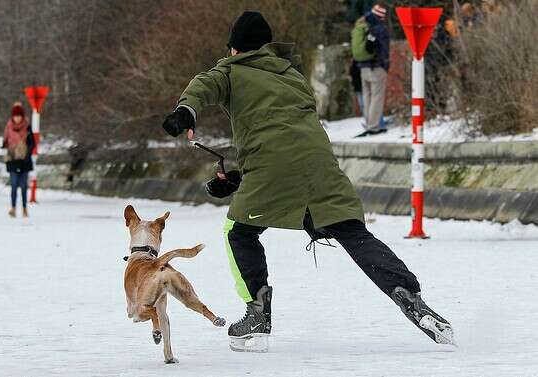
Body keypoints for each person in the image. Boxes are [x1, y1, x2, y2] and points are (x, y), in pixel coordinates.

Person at [162, 11, 454, 351]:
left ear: (234, 49)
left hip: (274, 166)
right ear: (266, 46)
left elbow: (203, 85)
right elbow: (285, 135)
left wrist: (186, 112)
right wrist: (242, 177)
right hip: (319, 162)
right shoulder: (290, 74)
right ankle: (407, 293)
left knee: (239, 232)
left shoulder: (230, 70)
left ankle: (257, 315)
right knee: (350, 231)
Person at [351, 5, 390, 137]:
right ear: (381, 17)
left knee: (367, 97)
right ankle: (373, 127)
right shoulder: (379, 28)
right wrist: (385, 63)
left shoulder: (362, 24)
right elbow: (383, 49)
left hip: (363, 68)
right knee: (376, 97)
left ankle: (369, 124)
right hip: (377, 67)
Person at [3, 102, 34, 218]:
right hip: (13, 160)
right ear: (12, 116)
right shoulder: (8, 126)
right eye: (15, 116)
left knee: (24, 187)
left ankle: (25, 208)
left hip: (24, 161)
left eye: (19, 116)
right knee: (14, 185)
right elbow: (5, 142)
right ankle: (13, 208)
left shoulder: (27, 126)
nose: (17, 118)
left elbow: (32, 144)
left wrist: (26, 154)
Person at [350, 59, 386, 130]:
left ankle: (374, 123)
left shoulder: (359, 63)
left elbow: (352, 73)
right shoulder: (363, 63)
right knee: (374, 102)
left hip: (360, 88)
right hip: (361, 87)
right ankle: (375, 124)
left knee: (368, 104)